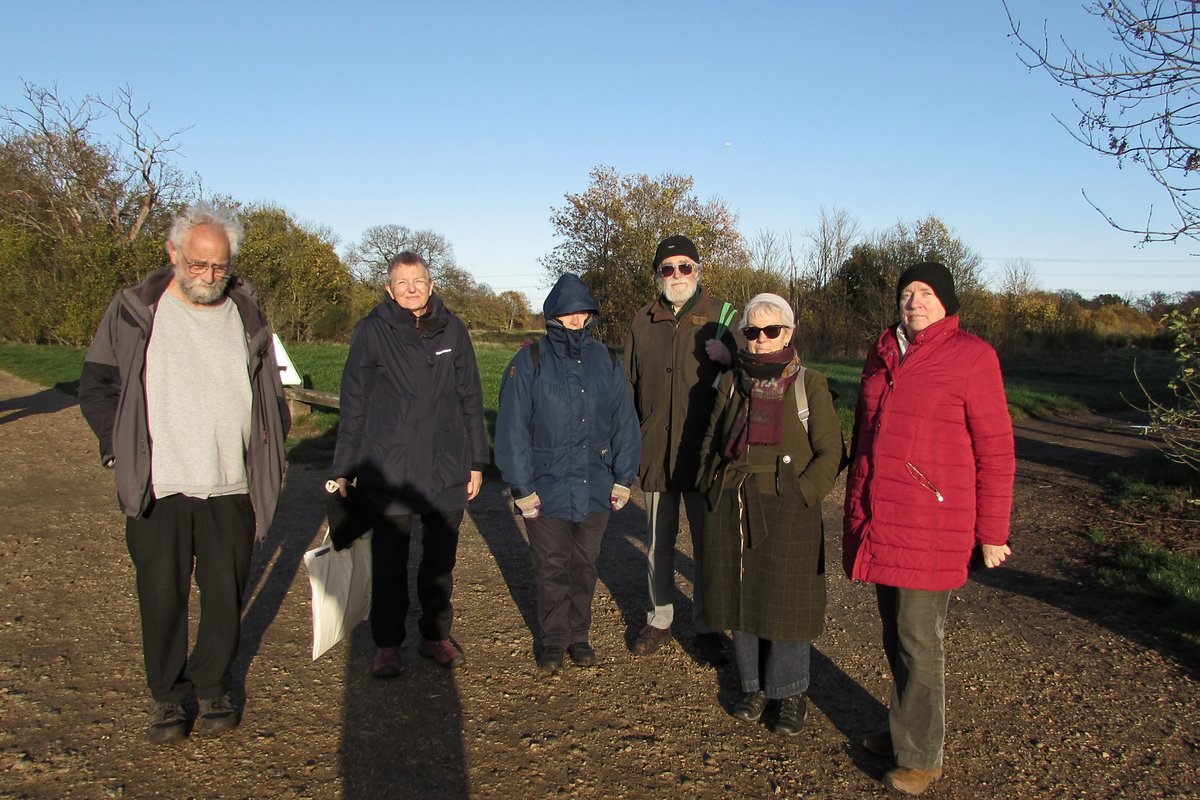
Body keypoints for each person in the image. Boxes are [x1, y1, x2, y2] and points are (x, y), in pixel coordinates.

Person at [78, 202, 289, 742]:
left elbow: (269, 391)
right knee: (162, 596)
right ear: (172, 253)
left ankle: (214, 683)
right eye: (197, 265)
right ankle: (168, 697)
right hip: (160, 483)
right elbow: (97, 386)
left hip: (231, 483)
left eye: (219, 266)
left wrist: (272, 440)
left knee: (224, 595)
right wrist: (117, 448)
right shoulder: (132, 311)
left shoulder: (246, 311)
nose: (209, 277)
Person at [842, 262, 1015, 796]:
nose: (913, 301)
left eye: (925, 293)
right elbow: (868, 436)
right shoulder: (883, 352)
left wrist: (993, 531)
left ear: (946, 302)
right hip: (882, 517)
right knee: (895, 634)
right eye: (906, 293)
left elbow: (996, 448)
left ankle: (921, 755)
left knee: (920, 639)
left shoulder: (972, 356)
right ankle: (904, 730)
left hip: (931, 523)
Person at [332, 251, 489, 679]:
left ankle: (434, 635)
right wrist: (344, 467)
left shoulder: (453, 329)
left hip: (446, 465)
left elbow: (471, 398)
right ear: (388, 289)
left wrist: (477, 459)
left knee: (440, 562)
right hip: (389, 467)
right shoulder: (372, 332)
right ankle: (387, 643)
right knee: (389, 563)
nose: (411, 289)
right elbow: (355, 403)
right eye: (401, 283)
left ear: (431, 283)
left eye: (417, 281)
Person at [698, 293, 844, 735]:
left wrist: (802, 493)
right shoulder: (730, 382)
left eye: (771, 331)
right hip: (734, 502)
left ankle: (789, 694)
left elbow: (831, 451)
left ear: (789, 332)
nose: (760, 340)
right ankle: (752, 685)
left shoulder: (809, 383)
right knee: (742, 600)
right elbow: (709, 440)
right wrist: (711, 483)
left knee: (787, 604)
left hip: (788, 508)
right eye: (752, 332)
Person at [495, 274, 640, 674]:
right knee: (551, 567)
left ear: (591, 315)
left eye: (583, 312)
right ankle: (554, 640)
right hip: (545, 487)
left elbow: (625, 423)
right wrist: (521, 488)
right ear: (553, 315)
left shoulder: (606, 361)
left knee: (585, 565)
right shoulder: (530, 361)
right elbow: (511, 429)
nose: (576, 319)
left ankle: (580, 636)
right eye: (568, 312)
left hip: (596, 486)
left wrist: (624, 478)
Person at [623, 234, 742, 663]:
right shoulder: (642, 321)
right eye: (667, 268)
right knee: (658, 541)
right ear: (658, 275)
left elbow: (753, 378)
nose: (677, 275)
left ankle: (709, 626)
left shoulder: (725, 318)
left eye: (684, 267)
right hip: (656, 452)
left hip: (706, 456)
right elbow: (628, 389)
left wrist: (731, 357)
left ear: (698, 270)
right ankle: (659, 618)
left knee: (709, 543)